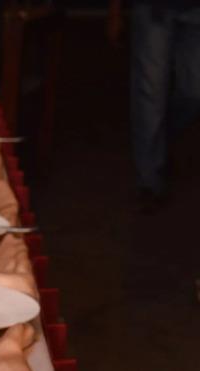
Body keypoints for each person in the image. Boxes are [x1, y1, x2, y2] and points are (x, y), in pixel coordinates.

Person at [111, 0, 200, 212]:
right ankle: (149, 181)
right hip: (152, 8)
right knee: (150, 92)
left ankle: (158, 143)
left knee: (194, 91)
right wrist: (115, 11)